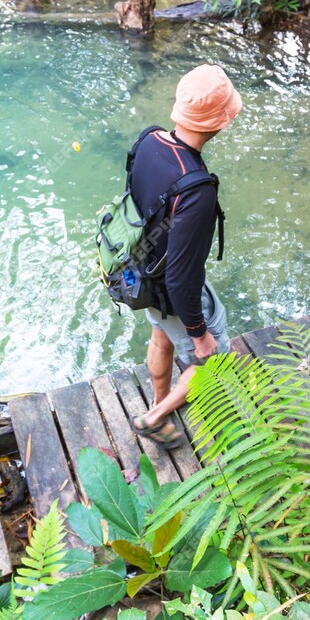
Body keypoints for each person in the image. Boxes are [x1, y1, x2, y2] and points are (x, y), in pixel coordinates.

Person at [128, 64, 242, 449]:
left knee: (160, 336)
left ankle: (161, 400)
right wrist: (200, 334)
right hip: (173, 286)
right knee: (213, 358)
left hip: (143, 272)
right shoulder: (197, 190)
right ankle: (154, 417)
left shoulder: (149, 141)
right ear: (220, 123)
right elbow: (181, 277)